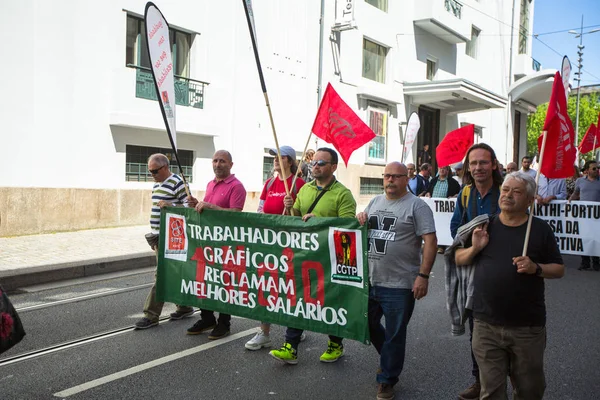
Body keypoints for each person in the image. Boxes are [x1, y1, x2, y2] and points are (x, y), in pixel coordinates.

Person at [455, 172, 564, 400]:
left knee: (529, 390)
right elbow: (458, 258)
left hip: (527, 327)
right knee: (491, 391)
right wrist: (475, 248)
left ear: (530, 200)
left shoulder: (541, 230)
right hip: (486, 324)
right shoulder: (485, 225)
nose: (508, 195)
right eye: (505, 190)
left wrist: (536, 267)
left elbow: (558, 269)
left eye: (517, 191)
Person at [357, 162, 437, 400]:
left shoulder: (417, 207)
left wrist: (422, 276)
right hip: (371, 280)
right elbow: (362, 230)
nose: (390, 180)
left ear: (407, 178)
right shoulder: (375, 202)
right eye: (387, 176)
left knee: (395, 334)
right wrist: (360, 217)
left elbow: (430, 242)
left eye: (396, 176)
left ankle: (387, 380)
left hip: (400, 284)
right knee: (367, 325)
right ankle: (388, 359)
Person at [269, 147, 357, 365]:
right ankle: (291, 346)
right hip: (303, 255)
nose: (315, 166)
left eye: (321, 163)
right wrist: (290, 207)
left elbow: (347, 228)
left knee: (329, 302)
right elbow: (296, 218)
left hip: (330, 260)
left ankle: (335, 344)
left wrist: (318, 220)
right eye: (314, 162)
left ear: (333, 167)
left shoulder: (343, 194)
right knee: (298, 297)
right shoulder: (304, 190)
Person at [449, 143, 503, 400]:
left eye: (483, 162)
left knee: (508, 326)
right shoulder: (466, 193)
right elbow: (454, 228)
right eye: (473, 163)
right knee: (478, 328)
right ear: (468, 167)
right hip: (474, 268)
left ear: (493, 164)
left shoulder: (506, 191)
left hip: (504, 268)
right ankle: (479, 381)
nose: (478, 167)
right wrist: (471, 238)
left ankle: (508, 380)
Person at [245, 146, 306, 350]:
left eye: (279, 157)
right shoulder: (270, 183)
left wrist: (291, 208)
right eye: (273, 157)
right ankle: (264, 332)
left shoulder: (299, 184)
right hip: (269, 245)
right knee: (266, 285)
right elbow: (261, 209)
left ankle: (295, 328)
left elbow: (304, 217)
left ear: (289, 161)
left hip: (290, 247)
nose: (275, 160)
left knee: (290, 288)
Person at [186, 150, 247, 339]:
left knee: (224, 284)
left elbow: (236, 214)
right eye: (215, 160)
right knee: (205, 281)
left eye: (222, 161)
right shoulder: (210, 184)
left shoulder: (237, 187)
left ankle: (224, 323)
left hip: (226, 245)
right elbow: (209, 211)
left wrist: (212, 207)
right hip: (208, 243)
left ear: (230, 164)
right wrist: (197, 204)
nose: (218, 164)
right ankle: (207, 317)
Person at [134, 154, 198, 330]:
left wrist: (170, 206)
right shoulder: (157, 184)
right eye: (150, 172)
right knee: (175, 273)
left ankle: (151, 315)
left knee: (161, 275)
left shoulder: (177, 182)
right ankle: (184, 306)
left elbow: (189, 208)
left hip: (171, 237)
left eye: (154, 171)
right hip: (157, 236)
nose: (152, 175)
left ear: (165, 168)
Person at [570, 160, 600, 271]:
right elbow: (576, 193)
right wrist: (568, 202)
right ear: (587, 171)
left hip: (597, 216)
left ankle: (596, 262)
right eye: (594, 168)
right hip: (583, 215)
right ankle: (585, 262)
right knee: (584, 238)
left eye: (597, 168)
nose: (597, 170)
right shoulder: (580, 181)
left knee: (596, 238)